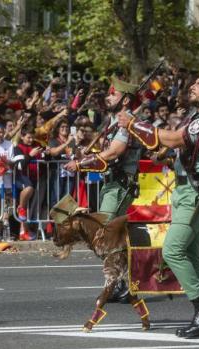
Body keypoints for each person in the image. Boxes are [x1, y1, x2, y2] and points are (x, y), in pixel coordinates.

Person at [118, 64, 199, 338]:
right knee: (189, 254)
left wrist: (133, 123)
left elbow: (177, 139)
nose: (193, 86)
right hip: (186, 191)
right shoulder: (196, 116)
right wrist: (166, 156)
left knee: (173, 252)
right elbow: (182, 149)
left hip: (195, 194)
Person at [63, 76, 143, 302]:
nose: (108, 98)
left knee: (104, 235)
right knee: (110, 238)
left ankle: (126, 283)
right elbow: (105, 150)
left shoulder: (128, 122)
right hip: (111, 183)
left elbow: (116, 151)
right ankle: (122, 283)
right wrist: (87, 154)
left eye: (113, 94)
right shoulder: (114, 122)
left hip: (120, 184)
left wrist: (82, 164)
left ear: (126, 100)